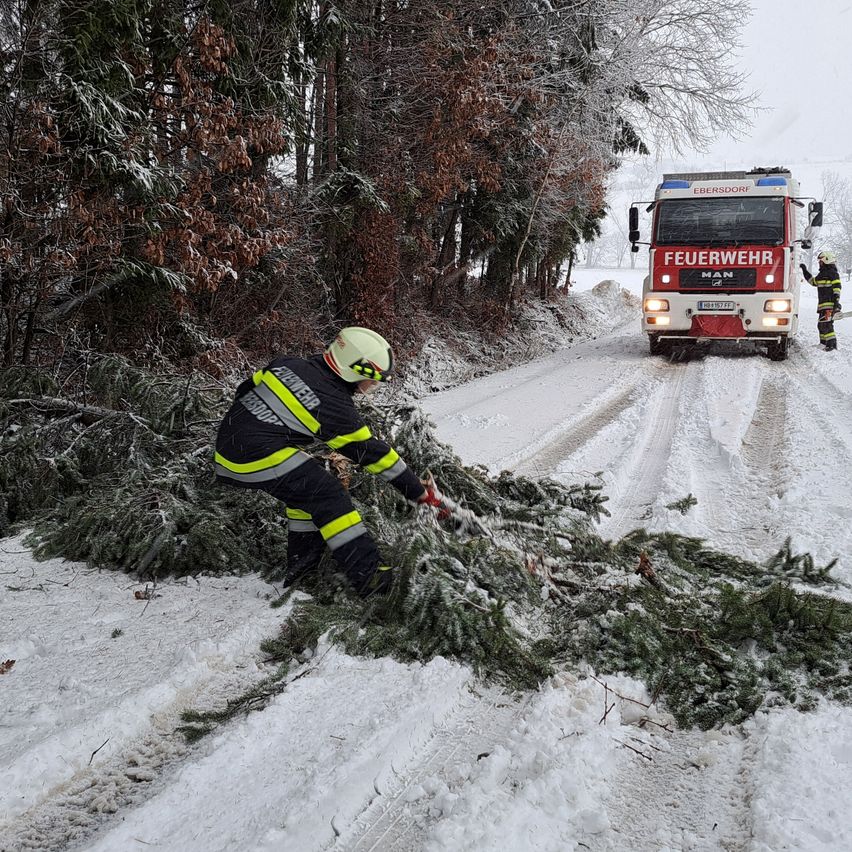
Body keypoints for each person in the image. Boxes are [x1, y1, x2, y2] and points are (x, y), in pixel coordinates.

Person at [214, 327, 446, 596]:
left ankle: (302, 569)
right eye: (373, 381)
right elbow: (376, 456)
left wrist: (268, 425)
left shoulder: (289, 363)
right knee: (328, 493)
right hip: (249, 457)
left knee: (305, 493)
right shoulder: (333, 404)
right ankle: (370, 578)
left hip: (229, 442)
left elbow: (245, 390)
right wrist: (418, 493)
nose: (372, 388)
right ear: (355, 369)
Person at [801, 250, 842, 351]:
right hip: (822, 305)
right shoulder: (821, 274)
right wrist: (804, 270)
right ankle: (823, 343)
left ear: (826, 261)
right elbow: (813, 282)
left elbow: (837, 288)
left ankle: (831, 345)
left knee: (826, 325)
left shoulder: (833, 274)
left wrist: (836, 303)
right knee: (821, 324)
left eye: (821, 262)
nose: (819, 263)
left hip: (829, 305)